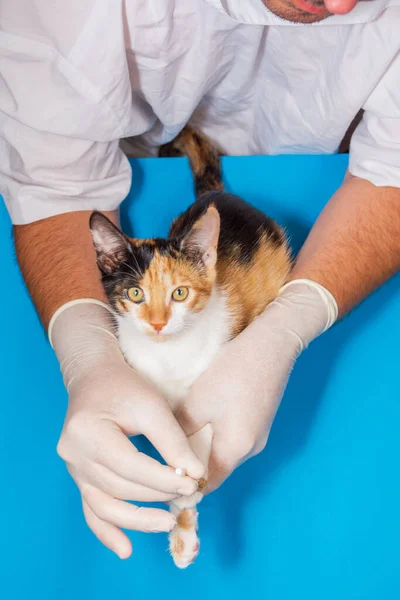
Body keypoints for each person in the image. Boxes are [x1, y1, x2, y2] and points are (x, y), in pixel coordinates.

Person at [1, 0, 399, 559]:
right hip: (137, 155)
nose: (338, 5)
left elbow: (394, 171)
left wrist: (288, 326)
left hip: (324, 165)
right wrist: (85, 353)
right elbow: (56, 180)